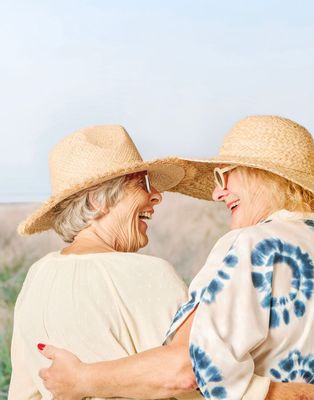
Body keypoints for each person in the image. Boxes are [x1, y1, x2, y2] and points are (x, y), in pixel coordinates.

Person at [37, 116, 314, 400]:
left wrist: (80, 379)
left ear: (264, 176)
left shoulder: (252, 247)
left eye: (225, 175)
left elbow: (198, 373)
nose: (217, 191)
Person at [9, 124, 191, 399]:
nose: (156, 196)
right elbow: (195, 378)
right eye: (142, 183)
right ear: (97, 200)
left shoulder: (38, 276)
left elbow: (24, 391)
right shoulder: (149, 275)